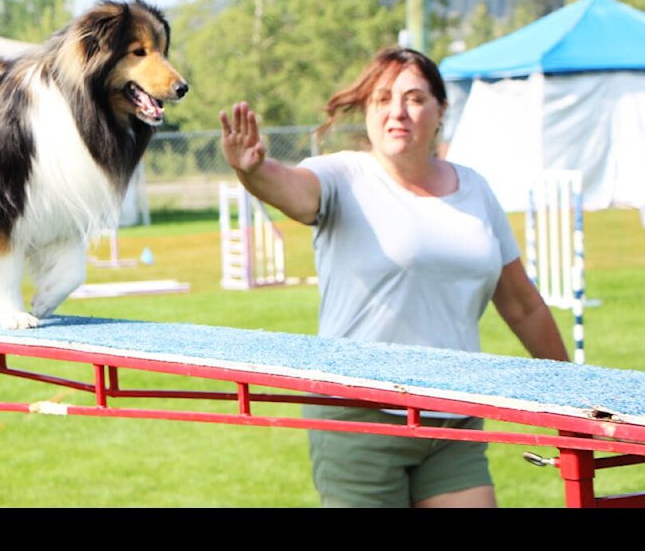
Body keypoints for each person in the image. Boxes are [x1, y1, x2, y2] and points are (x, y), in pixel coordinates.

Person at [219, 47, 569, 508]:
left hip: (455, 415)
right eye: (382, 98)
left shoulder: (475, 189)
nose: (396, 112)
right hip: (359, 416)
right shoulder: (342, 175)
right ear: (367, 109)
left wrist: (572, 394)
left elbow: (522, 305)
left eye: (414, 99)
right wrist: (254, 170)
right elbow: (290, 188)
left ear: (441, 110)